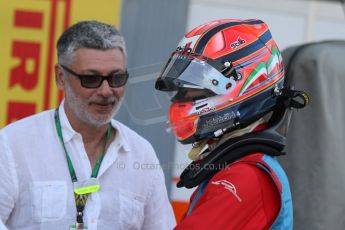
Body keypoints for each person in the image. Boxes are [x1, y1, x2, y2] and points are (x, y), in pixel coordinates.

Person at [0, 20, 175, 230]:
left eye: (116, 78)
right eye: (91, 79)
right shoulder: (13, 144)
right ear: (60, 77)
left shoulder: (141, 153)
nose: (105, 91)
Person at [155, 19, 309, 229]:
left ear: (240, 86)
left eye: (194, 88)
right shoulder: (237, 166)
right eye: (183, 89)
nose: (183, 98)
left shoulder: (244, 177)